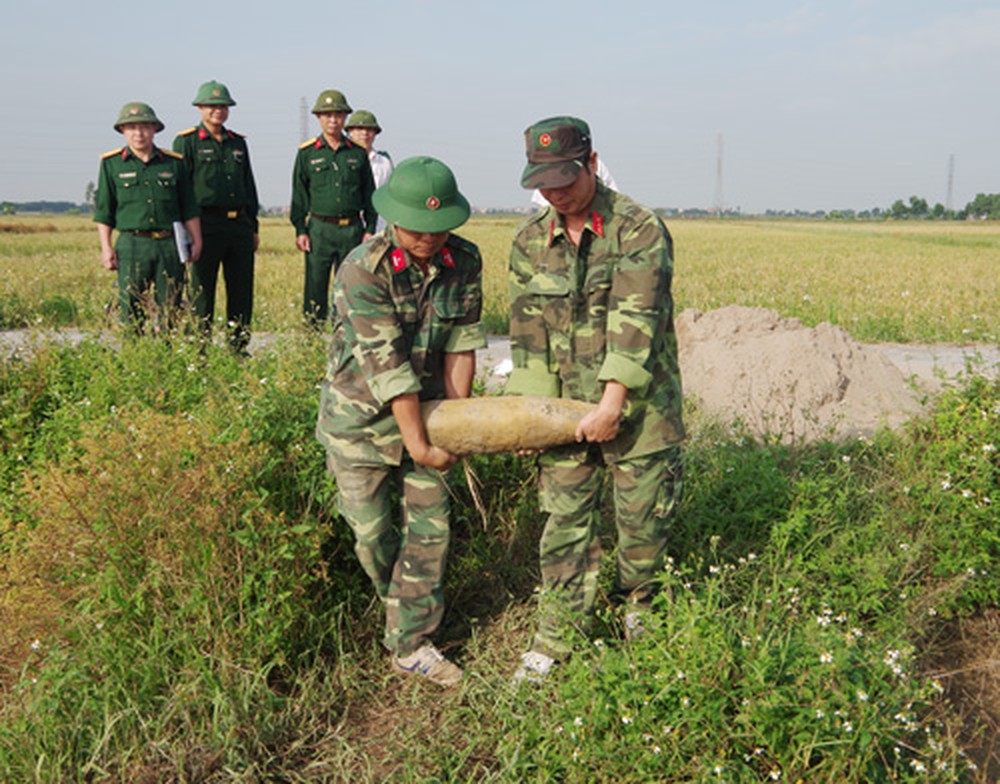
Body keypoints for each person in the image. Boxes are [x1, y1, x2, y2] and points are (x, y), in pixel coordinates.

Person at [506, 116, 685, 683]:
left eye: (564, 178)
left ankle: (641, 610)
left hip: (638, 407)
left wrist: (611, 406)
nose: (554, 192)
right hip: (563, 411)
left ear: (591, 161)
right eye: (543, 182)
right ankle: (557, 634)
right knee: (563, 523)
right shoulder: (530, 241)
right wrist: (529, 421)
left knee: (642, 524)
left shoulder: (638, 228)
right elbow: (527, 335)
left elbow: (639, 320)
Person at [316, 156, 487, 687]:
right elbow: (389, 369)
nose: (429, 239)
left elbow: (461, 344)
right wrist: (418, 444)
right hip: (360, 424)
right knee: (372, 538)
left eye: (440, 229)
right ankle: (406, 611)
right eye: (418, 228)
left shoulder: (465, 259)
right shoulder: (360, 270)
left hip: (431, 413)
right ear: (393, 218)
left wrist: (455, 423)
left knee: (430, 534)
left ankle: (411, 642)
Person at [94, 101, 202, 333]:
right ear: (123, 131)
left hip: (170, 244)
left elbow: (189, 207)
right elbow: (104, 211)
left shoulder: (174, 163)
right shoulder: (111, 164)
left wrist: (197, 240)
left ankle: (165, 357)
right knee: (131, 306)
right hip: (133, 244)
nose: (139, 133)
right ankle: (135, 356)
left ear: (155, 129)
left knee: (170, 305)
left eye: (144, 127)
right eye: (131, 127)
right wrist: (106, 248)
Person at [173, 80, 260, 355]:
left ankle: (238, 347)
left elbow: (249, 186)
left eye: (222, 106)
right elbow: (181, 190)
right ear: (200, 108)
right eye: (211, 107)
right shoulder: (186, 141)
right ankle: (199, 350)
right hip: (204, 226)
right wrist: (185, 234)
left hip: (239, 226)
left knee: (241, 291)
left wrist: (253, 226)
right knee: (201, 292)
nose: (217, 112)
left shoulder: (237, 143)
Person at [290, 89, 377, 325]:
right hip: (319, 229)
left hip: (351, 229)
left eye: (338, 115)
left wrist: (369, 228)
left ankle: (347, 334)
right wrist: (301, 229)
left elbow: (370, 194)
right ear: (318, 118)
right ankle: (312, 336)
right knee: (315, 286)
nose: (333, 120)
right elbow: (299, 195)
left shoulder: (357, 153)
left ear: (345, 118)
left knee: (350, 285)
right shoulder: (307, 153)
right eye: (327, 115)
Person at [346, 109, 394, 232]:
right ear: (349, 131)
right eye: (359, 129)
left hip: (379, 229)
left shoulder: (384, 162)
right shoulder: (341, 161)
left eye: (369, 130)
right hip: (349, 229)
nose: (364, 134)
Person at [530, 157, 617, 209]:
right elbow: (545, 207)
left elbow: (614, 199)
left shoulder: (591, 164)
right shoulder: (544, 166)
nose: (558, 196)